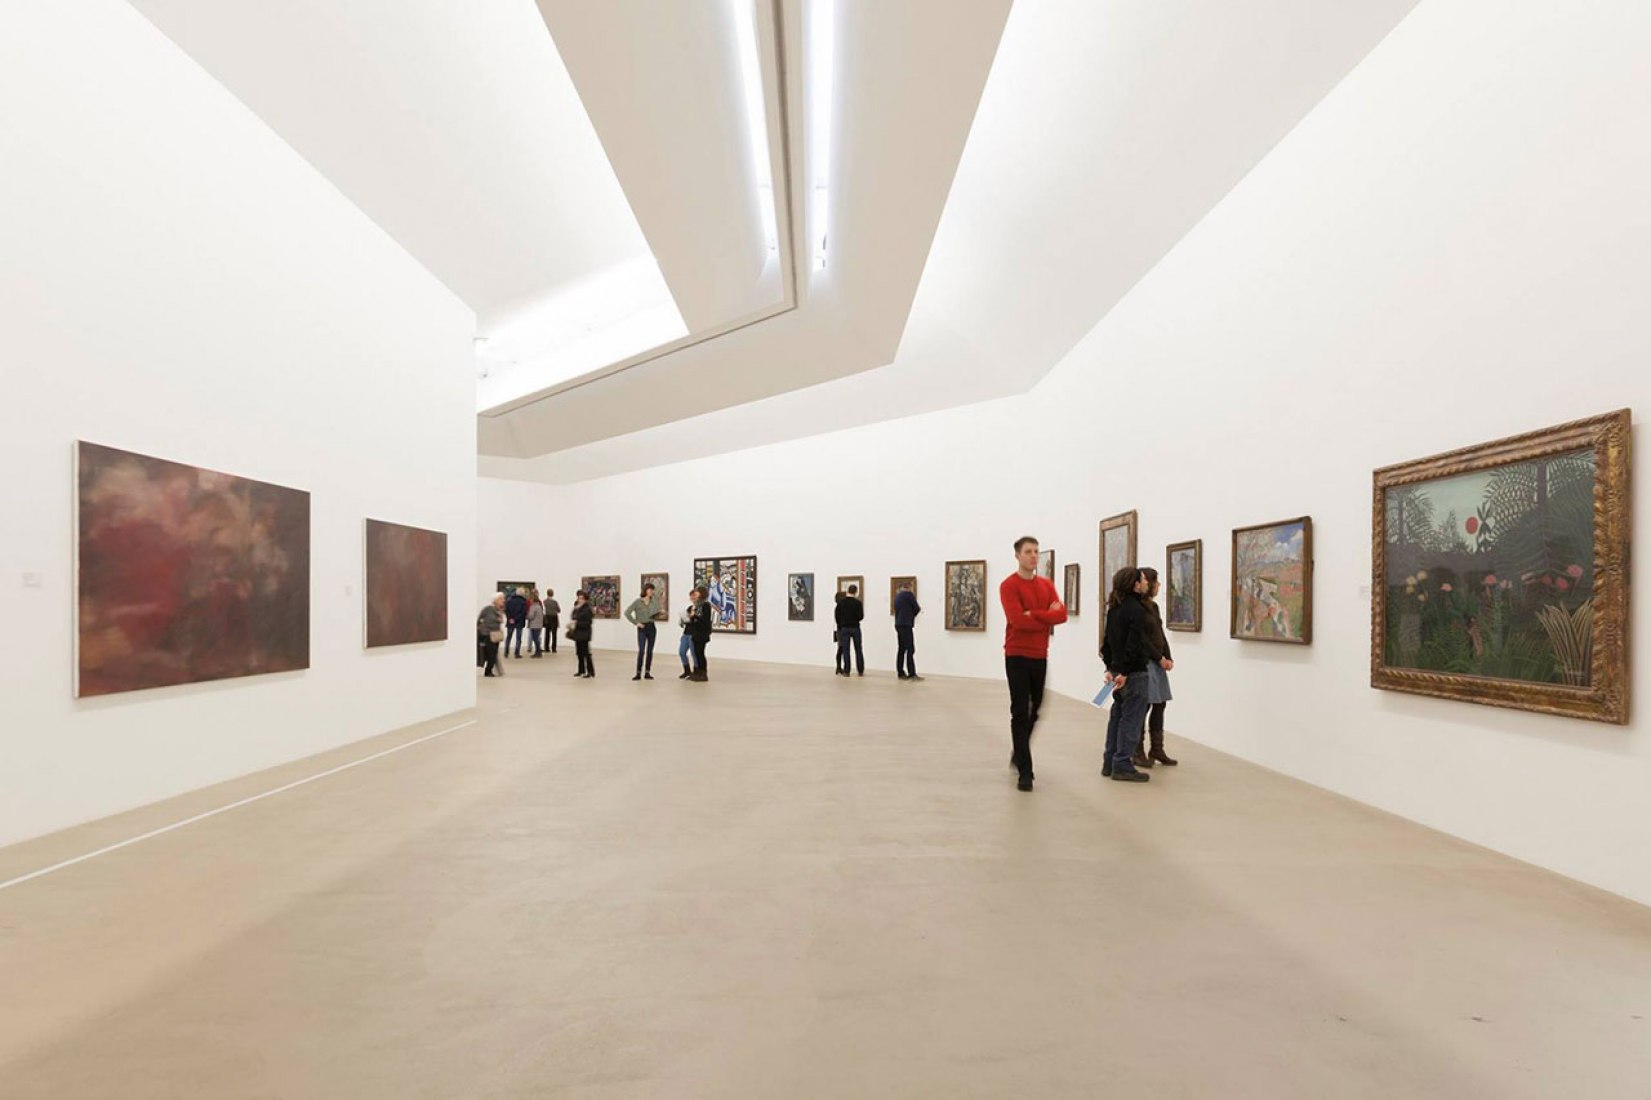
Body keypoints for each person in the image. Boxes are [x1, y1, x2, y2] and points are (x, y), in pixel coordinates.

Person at [1001, 536, 1067, 792]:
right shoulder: (1008, 586)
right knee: (1019, 710)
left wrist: (1036, 614)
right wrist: (1046, 616)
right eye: (1028, 552)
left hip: (1040, 654)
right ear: (1017, 555)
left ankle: (1019, 750)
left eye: (1036, 552)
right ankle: (1025, 771)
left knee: (1036, 708)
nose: (1033, 556)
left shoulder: (1046, 584)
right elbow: (1017, 621)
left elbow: (1060, 615)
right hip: (1016, 654)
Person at [1101, 567, 1153, 782]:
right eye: (1143, 580)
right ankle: (1122, 764)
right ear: (1135, 584)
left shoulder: (1114, 609)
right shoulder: (1137, 610)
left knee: (1118, 716)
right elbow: (1134, 644)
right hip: (1133, 673)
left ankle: (1110, 761)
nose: (1146, 583)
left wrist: (1111, 668)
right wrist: (1125, 671)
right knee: (1131, 719)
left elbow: (1107, 644)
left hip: (1118, 672)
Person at [1137, 566, 1179, 767]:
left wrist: (1167, 656)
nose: (1159, 586)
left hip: (1157, 661)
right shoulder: (1137, 607)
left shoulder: (1153, 607)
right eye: (1156, 582)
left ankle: (1157, 748)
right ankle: (1137, 750)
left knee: (1160, 703)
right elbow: (1142, 639)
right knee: (1143, 705)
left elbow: (1160, 634)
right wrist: (1158, 657)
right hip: (1146, 661)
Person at [624, 582, 660, 681]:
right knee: (641, 651)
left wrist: (659, 612)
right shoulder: (638, 602)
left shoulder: (654, 601)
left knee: (650, 651)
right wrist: (636, 623)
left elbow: (657, 611)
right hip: (642, 628)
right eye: (649, 590)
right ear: (645, 590)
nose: (651, 592)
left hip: (651, 627)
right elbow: (627, 613)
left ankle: (647, 672)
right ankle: (638, 673)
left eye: (652, 590)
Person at [893, 581, 922, 681]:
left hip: (898, 624)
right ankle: (912, 673)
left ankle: (900, 672)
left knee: (901, 649)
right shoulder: (909, 595)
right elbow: (917, 608)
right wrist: (911, 616)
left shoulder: (897, 597)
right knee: (910, 649)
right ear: (909, 587)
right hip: (906, 625)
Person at [835, 584, 865, 677]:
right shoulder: (858, 603)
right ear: (855, 592)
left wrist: (841, 625)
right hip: (855, 628)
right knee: (858, 649)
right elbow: (861, 616)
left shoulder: (841, 603)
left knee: (846, 650)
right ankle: (860, 670)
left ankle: (847, 670)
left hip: (844, 628)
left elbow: (837, 616)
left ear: (848, 591)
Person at [687, 586, 713, 681]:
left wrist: (695, 616)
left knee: (701, 653)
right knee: (697, 653)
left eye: (697, 592)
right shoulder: (697, 605)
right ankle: (698, 672)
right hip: (696, 632)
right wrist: (691, 617)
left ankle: (703, 673)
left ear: (701, 593)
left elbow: (705, 620)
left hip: (702, 633)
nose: (695, 594)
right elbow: (695, 619)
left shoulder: (706, 605)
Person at [477, 593, 505, 678]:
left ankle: (491, 670)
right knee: (490, 653)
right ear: (495, 600)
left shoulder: (499, 610)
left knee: (493, 653)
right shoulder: (488, 609)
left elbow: (501, 621)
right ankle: (488, 670)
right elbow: (480, 619)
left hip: (495, 635)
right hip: (487, 634)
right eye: (501, 599)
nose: (503, 601)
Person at [569, 590, 595, 678]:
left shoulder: (587, 609)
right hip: (578, 633)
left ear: (585, 600)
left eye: (581, 598)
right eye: (578, 598)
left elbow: (588, 623)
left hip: (584, 633)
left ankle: (590, 671)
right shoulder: (577, 608)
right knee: (579, 653)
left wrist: (577, 623)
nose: (579, 600)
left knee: (586, 653)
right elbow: (573, 616)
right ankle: (581, 670)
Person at [504, 586, 528, 658]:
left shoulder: (509, 601)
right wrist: (515, 619)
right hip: (519, 622)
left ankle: (506, 652)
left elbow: (506, 611)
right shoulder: (523, 602)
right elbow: (523, 613)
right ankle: (516, 653)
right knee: (518, 638)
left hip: (510, 622)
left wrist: (510, 618)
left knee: (508, 637)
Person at [676, 594, 697, 679]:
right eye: (691, 597)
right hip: (686, 633)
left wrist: (692, 618)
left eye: (694, 596)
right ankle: (687, 670)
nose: (692, 598)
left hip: (693, 633)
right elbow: (684, 620)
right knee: (681, 652)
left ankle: (696, 671)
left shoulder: (699, 609)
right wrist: (682, 620)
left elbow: (698, 621)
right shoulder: (689, 607)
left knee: (693, 653)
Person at [526, 589, 545, 658]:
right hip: (539, 624)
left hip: (534, 625)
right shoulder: (539, 606)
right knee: (536, 638)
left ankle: (538, 652)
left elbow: (531, 616)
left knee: (535, 638)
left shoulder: (533, 607)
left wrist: (526, 616)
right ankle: (538, 651)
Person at [544, 589, 561, 654]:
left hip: (547, 617)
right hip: (554, 618)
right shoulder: (555, 602)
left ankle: (547, 648)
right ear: (552, 594)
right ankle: (554, 648)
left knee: (547, 633)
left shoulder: (545, 601)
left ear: (547, 593)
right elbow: (559, 610)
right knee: (554, 634)